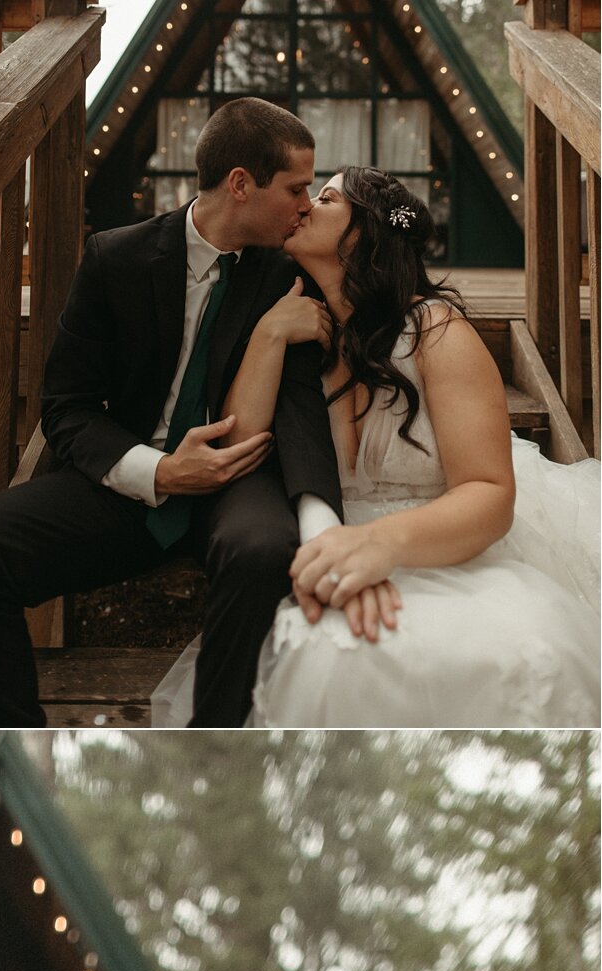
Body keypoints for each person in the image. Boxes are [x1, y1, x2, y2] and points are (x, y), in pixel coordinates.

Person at [154, 167, 600, 728]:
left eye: (327, 197)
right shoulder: (299, 335)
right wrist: (270, 333)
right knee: (336, 660)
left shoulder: (435, 331)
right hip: (331, 544)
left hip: (447, 547)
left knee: (515, 656)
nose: (305, 206)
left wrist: (377, 546)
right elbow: (240, 445)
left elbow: (488, 493)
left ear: (364, 232)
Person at [0, 98, 344, 730]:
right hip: (137, 473)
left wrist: (320, 517)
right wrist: (161, 472)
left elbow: (302, 414)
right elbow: (67, 406)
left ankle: (215, 742)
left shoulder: (289, 275)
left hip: (242, 479)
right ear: (241, 185)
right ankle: (14, 739)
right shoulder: (117, 257)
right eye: (297, 188)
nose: (307, 205)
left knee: (262, 549)